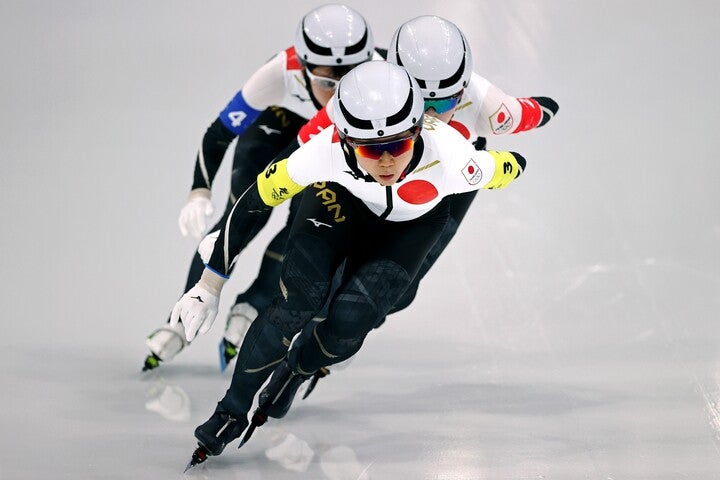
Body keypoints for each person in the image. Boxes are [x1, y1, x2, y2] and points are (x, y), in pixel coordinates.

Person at [171, 60, 528, 466]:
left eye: (399, 144)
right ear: (344, 139)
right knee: (296, 304)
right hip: (337, 202)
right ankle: (229, 412)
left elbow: (508, 167)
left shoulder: (454, 156)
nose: (387, 160)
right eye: (372, 149)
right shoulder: (320, 151)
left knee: (350, 322)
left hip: (412, 225)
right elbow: (252, 203)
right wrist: (209, 285)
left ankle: (299, 368)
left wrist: (508, 158)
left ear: (418, 131)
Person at [213, 15, 559, 382]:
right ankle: (256, 303)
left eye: (444, 103)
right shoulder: (367, 91)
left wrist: (541, 111)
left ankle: (326, 343)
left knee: (400, 292)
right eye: (419, 99)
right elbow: (304, 146)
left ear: (465, 88)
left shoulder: (491, 106)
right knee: (311, 237)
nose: (428, 115)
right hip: (377, 168)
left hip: (439, 185)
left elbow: (532, 112)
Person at [142, 4, 378, 371]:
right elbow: (219, 134)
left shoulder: (381, 76)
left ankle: (251, 303)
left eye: (346, 83)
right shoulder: (279, 72)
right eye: (326, 83)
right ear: (302, 67)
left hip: (319, 140)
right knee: (241, 210)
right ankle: (180, 318)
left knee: (304, 222)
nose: (335, 95)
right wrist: (199, 189)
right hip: (276, 126)